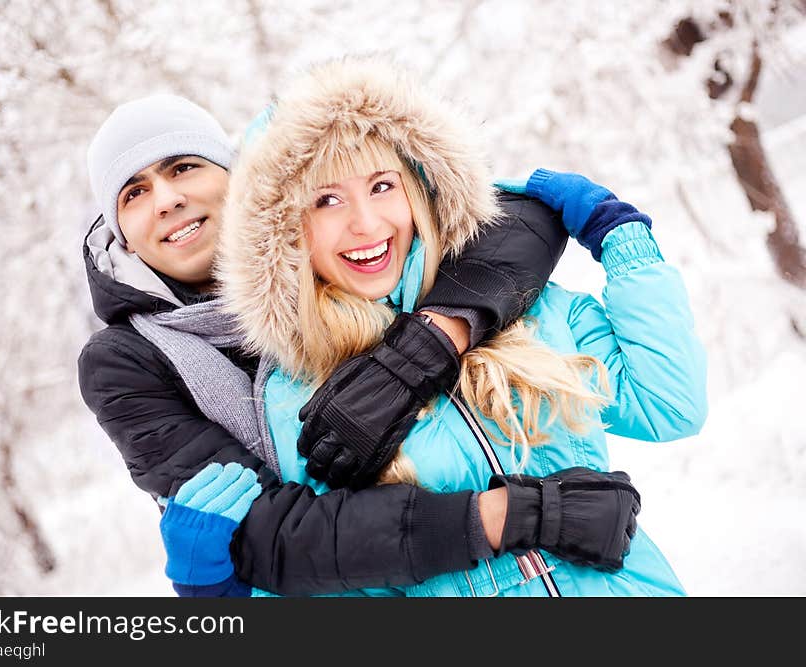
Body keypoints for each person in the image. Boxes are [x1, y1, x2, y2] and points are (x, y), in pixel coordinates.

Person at [181, 55, 708, 597]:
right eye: (327, 199)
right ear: (285, 232)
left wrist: (622, 238)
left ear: (421, 189)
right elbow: (339, 575)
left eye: (382, 186)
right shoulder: (294, 399)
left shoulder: (528, 308)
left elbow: (668, 404)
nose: (366, 223)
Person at [79, 92, 645, 596]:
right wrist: (509, 517)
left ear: (240, 178)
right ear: (121, 230)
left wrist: (429, 344)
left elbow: (500, 225)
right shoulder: (126, 362)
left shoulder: (331, 263)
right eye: (134, 193)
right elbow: (273, 534)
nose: (167, 199)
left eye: (183, 167)